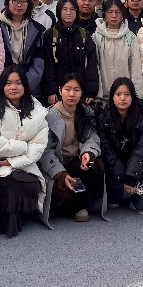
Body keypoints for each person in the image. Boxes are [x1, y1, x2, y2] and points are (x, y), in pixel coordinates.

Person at [0, 67, 50, 237]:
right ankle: (9, 217)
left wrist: (12, 161)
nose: (13, 87)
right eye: (8, 83)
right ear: (2, 87)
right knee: (7, 184)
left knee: (30, 184)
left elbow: (38, 146)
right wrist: (23, 147)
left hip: (26, 164)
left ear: (25, 85)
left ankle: (16, 215)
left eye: (18, 83)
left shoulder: (38, 112)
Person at [41, 73, 106, 223]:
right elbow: (45, 151)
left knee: (94, 165)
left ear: (82, 92)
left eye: (76, 90)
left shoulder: (86, 112)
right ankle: (78, 200)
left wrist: (88, 152)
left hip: (77, 161)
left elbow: (92, 137)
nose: (72, 94)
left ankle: (80, 204)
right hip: (58, 164)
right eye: (67, 89)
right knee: (64, 198)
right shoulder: (48, 116)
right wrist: (60, 174)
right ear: (60, 91)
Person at [97, 77, 143, 216]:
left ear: (132, 97)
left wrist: (131, 176)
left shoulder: (142, 116)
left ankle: (136, 197)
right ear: (112, 97)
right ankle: (116, 190)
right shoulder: (104, 117)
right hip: (114, 166)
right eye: (118, 94)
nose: (122, 98)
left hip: (135, 164)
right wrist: (122, 174)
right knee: (113, 202)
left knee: (142, 207)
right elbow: (105, 149)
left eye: (127, 94)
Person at [0, 0, 48, 100]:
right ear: (7, 2)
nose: (19, 5)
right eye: (15, 0)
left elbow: (38, 62)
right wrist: (5, 85)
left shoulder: (37, 30)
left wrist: (23, 85)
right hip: (1, 87)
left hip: (29, 88)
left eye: (23, 1)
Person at [45, 0, 99, 104]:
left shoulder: (84, 34)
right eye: (64, 9)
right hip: (58, 92)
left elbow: (91, 64)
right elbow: (48, 64)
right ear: (59, 12)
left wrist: (90, 91)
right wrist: (51, 91)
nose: (68, 13)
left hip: (80, 91)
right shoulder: (50, 35)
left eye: (72, 9)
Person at [94, 0, 143, 102]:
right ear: (104, 14)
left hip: (124, 96)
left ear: (122, 15)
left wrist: (137, 96)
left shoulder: (130, 37)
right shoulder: (96, 37)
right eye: (110, 12)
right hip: (103, 97)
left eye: (117, 12)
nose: (114, 16)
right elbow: (95, 68)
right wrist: (96, 95)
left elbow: (135, 67)